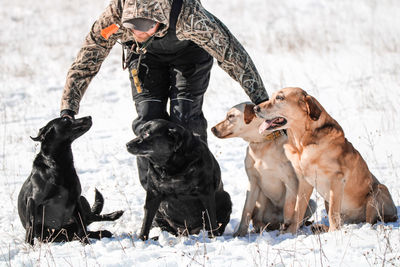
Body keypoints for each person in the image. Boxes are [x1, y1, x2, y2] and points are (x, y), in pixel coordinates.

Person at [60, 0, 269, 142]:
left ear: (161, 20)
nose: (139, 32)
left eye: (145, 26)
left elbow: (233, 56)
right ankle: (156, 197)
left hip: (189, 55)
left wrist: (261, 101)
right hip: (144, 57)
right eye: (133, 27)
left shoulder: (189, 16)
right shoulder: (115, 18)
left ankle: (201, 194)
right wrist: (68, 109)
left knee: (185, 121)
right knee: (148, 123)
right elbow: (88, 59)